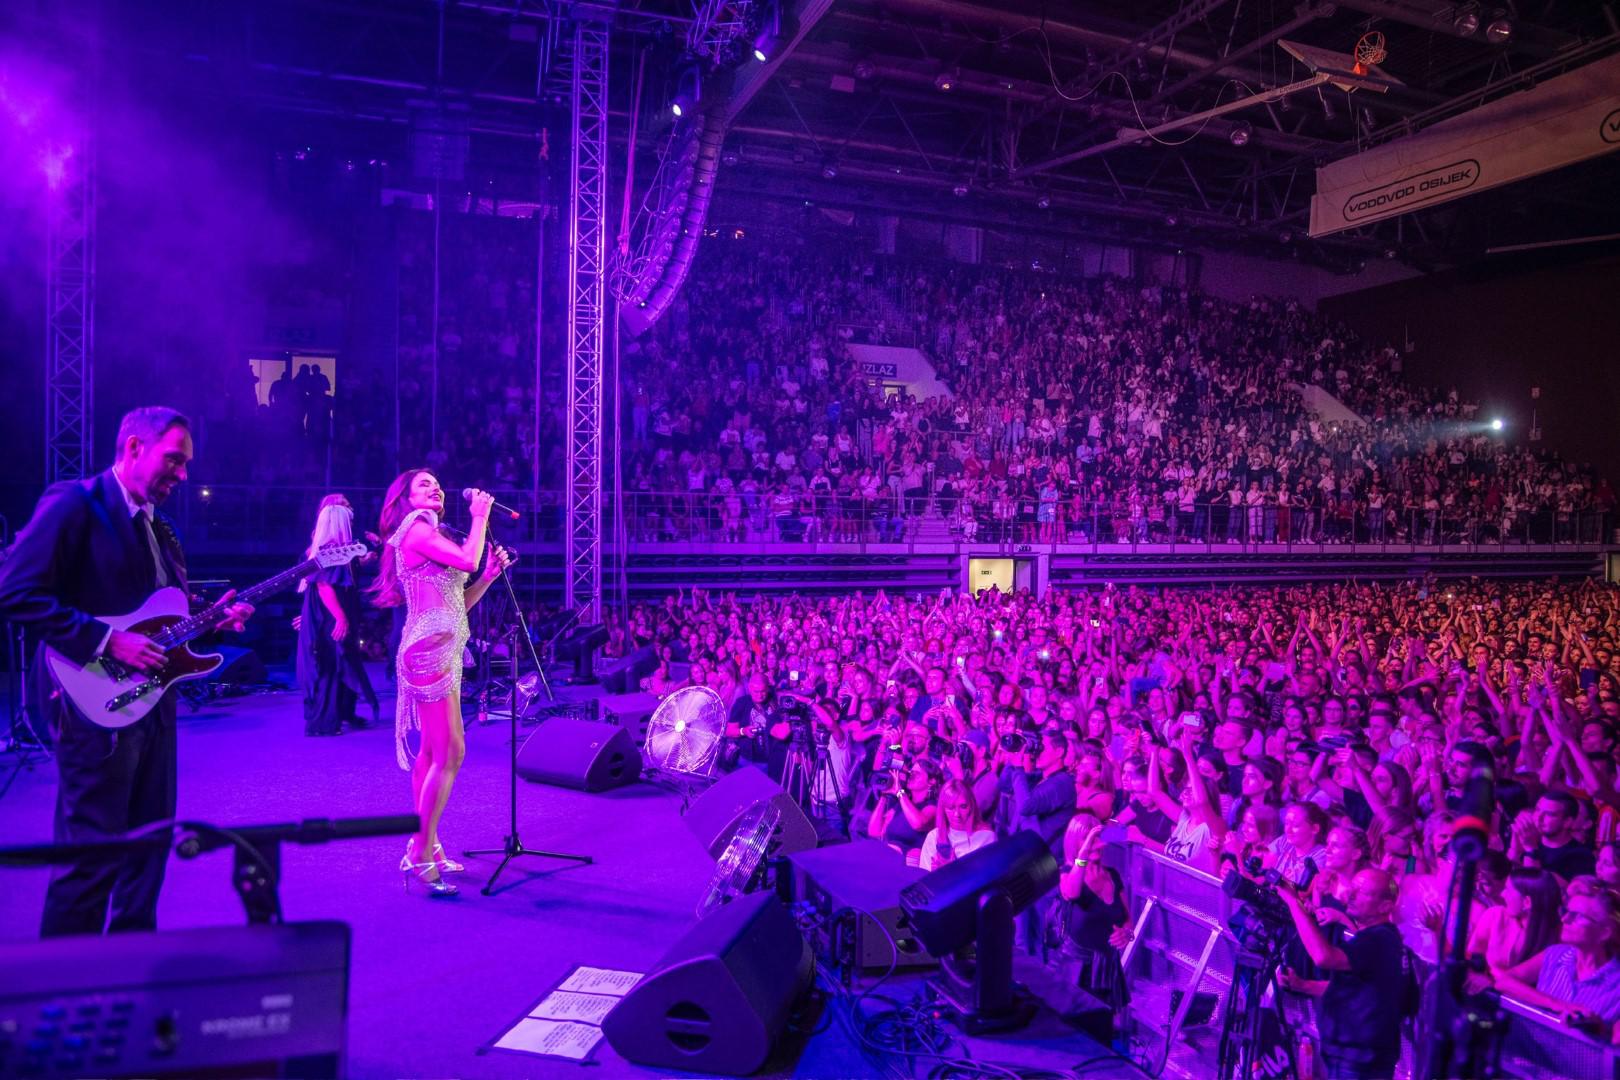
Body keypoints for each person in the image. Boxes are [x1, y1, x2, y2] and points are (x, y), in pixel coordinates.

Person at [0, 407, 254, 936]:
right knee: (91, 856)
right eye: (174, 460)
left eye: (186, 464)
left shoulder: (160, 527)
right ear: (135, 447)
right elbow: (14, 591)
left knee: (149, 845)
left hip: (153, 702)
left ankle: (130, 961)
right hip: (89, 700)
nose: (182, 474)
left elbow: (157, 617)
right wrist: (107, 640)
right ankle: (67, 974)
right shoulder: (76, 503)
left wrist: (210, 620)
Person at [370, 469, 512, 898]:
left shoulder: (428, 535)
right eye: (423, 484)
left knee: (432, 753)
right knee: (452, 751)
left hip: (439, 644)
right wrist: (480, 516)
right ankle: (420, 850)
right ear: (406, 498)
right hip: (429, 649)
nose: (435, 487)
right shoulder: (415, 529)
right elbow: (467, 560)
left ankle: (427, 844)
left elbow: (456, 603)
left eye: (436, 483)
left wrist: (487, 578)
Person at [1279, 868, 1415, 1079]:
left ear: (1386, 906)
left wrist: (1293, 902)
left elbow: (1323, 957)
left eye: (1362, 892)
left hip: (1360, 1062)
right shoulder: (1380, 939)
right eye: (1352, 888)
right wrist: (1302, 985)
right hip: (1354, 1058)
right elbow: (1358, 989)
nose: (1351, 895)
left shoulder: (1379, 939)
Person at [296, 495, 378, 736]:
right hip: (331, 614)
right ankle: (323, 722)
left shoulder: (338, 550)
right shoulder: (329, 550)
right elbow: (324, 586)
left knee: (343, 661)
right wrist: (340, 617)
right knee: (330, 663)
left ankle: (341, 714)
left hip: (335, 611)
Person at [919, 778, 996, 870]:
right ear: (943, 809)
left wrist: (952, 870)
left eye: (963, 807)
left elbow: (989, 876)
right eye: (951, 808)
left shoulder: (986, 837)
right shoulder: (933, 837)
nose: (957, 814)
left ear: (971, 806)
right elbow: (925, 875)